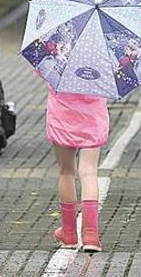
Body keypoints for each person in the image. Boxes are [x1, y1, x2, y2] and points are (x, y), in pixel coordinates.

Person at [46, 87, 109, 252]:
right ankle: (91, 235)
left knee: (66, 172)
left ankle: (68, 233)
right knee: (89, 173)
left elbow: (42, 69)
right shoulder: (102, 61)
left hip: (62, 116)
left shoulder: (56, 59)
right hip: (93, 117)